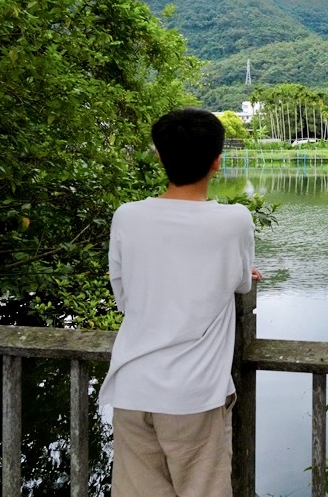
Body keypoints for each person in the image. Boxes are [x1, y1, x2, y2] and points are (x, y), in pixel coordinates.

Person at [98, 107, 260, 497]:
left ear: (160, 157)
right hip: (194, 396)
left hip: (133, 389)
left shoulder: (127, 216)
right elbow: (241, 282)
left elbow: (124, 297)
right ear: (217, 163)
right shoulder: (234, 220)